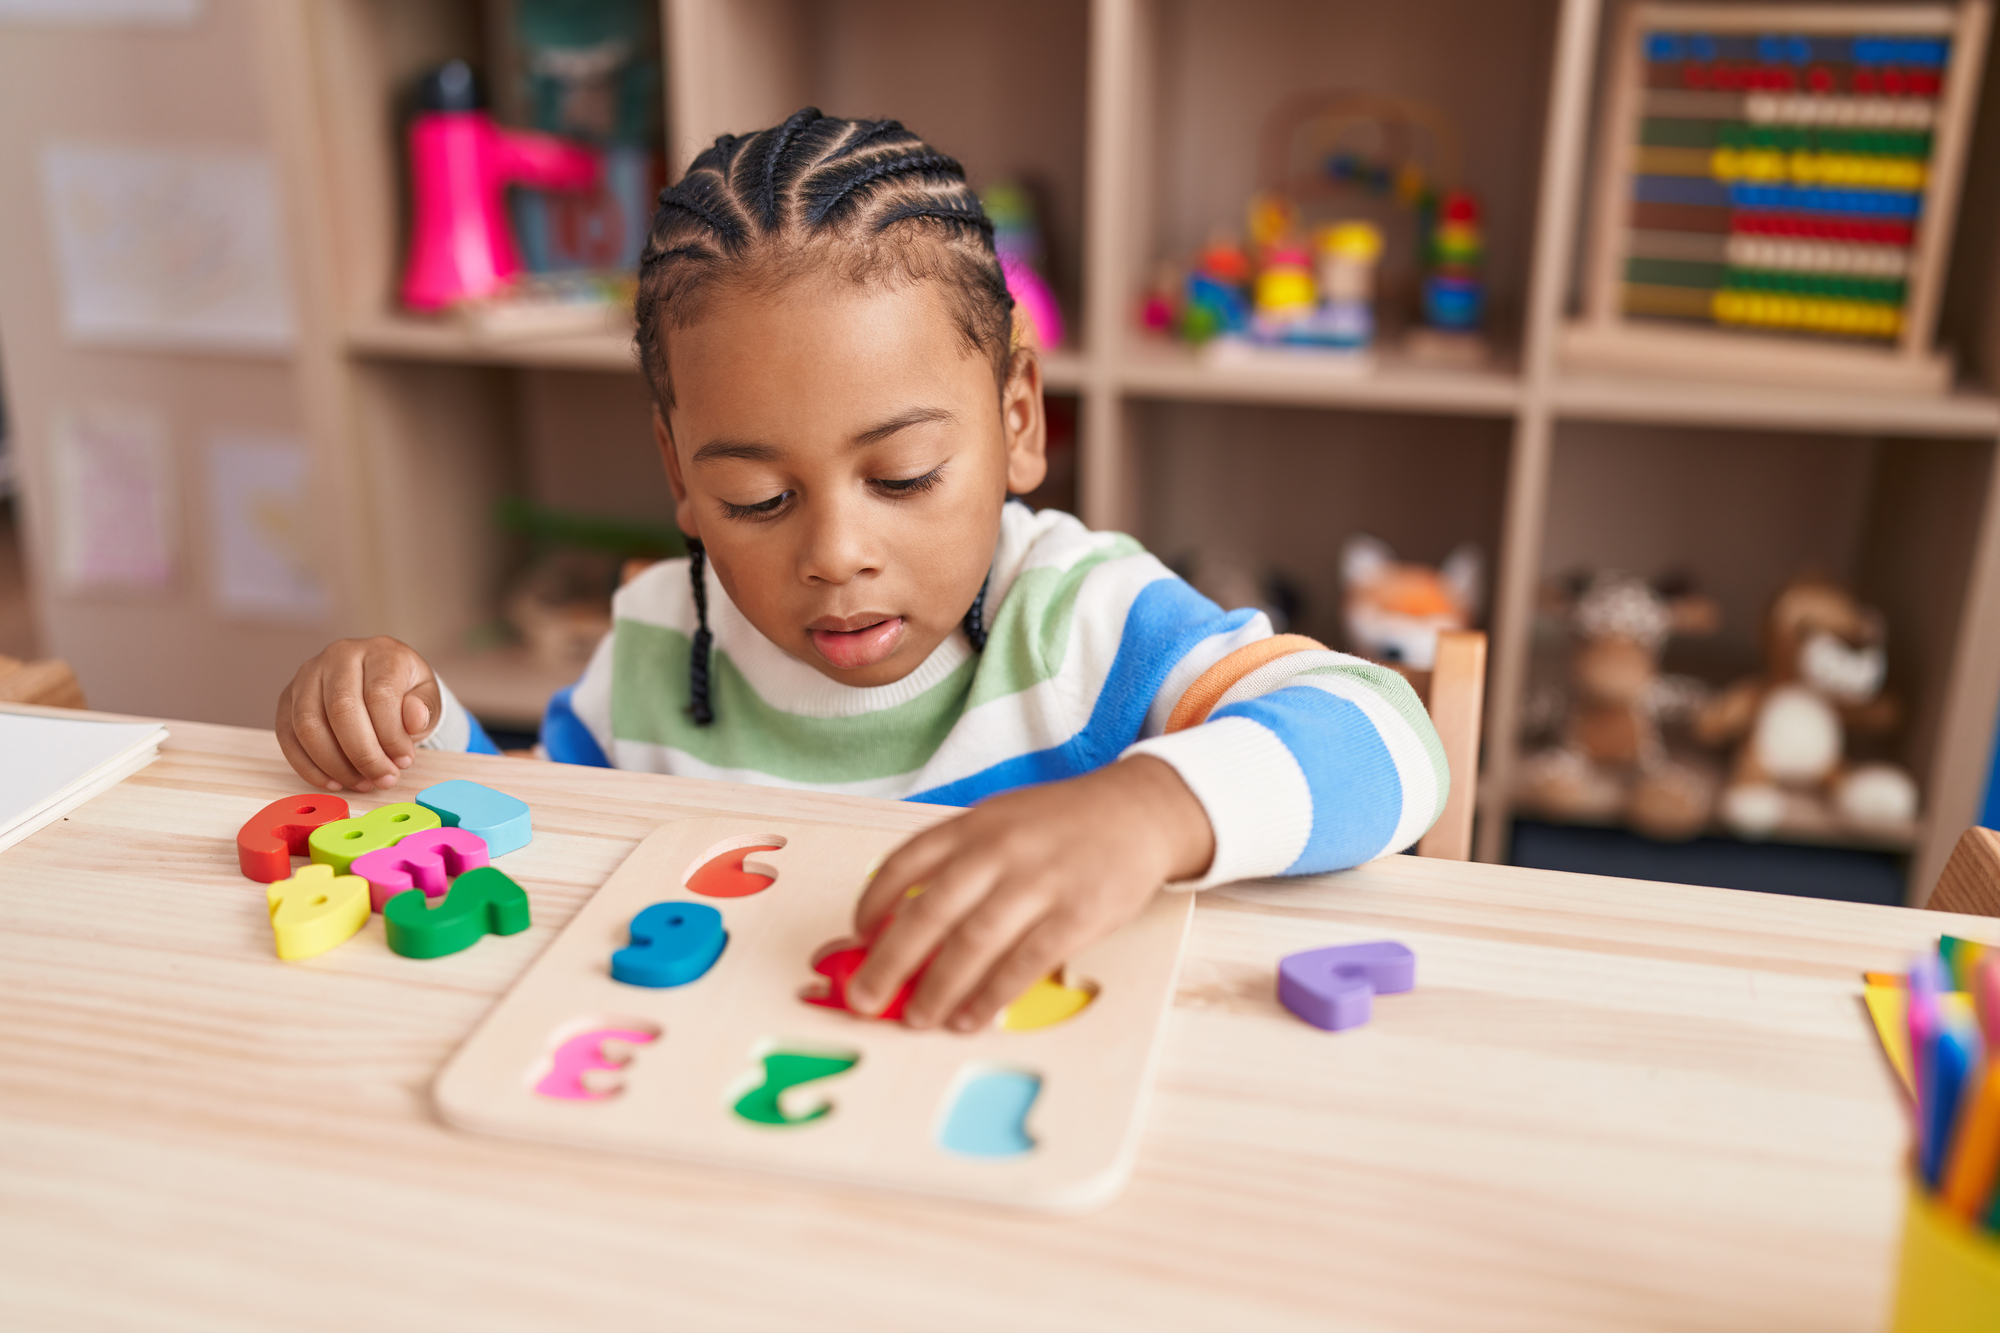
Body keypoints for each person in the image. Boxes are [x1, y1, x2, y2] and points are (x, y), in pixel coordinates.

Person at [275, 109, 1447, 1034]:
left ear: (1019, 419)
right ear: (679, 474)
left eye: (903, 476)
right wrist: (404, 723)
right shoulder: (653, 636)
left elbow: (1389, 736)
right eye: (757, 500)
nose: (835, 552)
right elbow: (538, 824)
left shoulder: (1085, 618)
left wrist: (1144, 812)